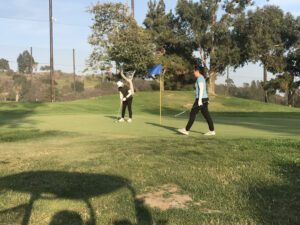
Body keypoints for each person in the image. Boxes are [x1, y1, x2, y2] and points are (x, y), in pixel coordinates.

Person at [178, 64, 216, 136]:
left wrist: (199, 101)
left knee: (192, 113)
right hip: (203, 99)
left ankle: (186, 130)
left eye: (194, 71)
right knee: (206, 115)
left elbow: (201, 89)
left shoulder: (200, 78)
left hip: (201, 99)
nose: (193, 72)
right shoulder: (201, 78)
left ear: (197, 71)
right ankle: (212, 130)